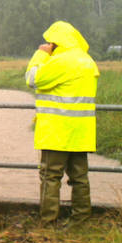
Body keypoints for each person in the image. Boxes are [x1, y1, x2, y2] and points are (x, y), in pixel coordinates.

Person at [25, 20, 99, 226]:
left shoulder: (61, 62)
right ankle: (81, 220)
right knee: (80, 178)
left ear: (56, 43)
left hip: (57, 131)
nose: (48, 45)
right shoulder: (87, 61)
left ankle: (48, 221)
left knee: (50, 176)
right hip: (81, 131)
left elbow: (32, 78)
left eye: (50, 43)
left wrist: (41, 54)